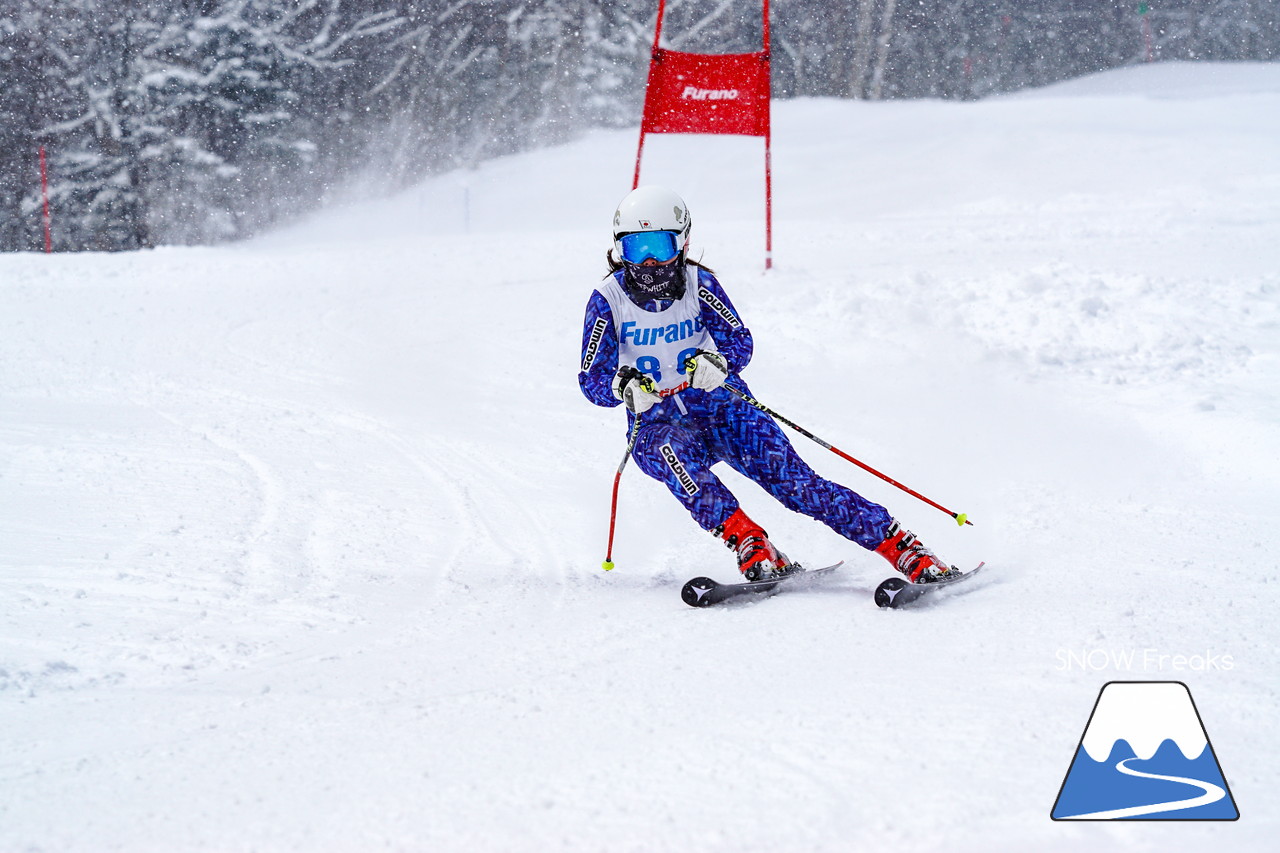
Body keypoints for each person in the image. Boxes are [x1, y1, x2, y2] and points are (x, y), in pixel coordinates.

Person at [578, 185, 961, 583]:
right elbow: (592, 379)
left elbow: (739, 340)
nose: (650, 261)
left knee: (797, 487)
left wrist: (719, 362)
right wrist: (622, 386)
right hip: (656, 424)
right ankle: (751, 543)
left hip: (722, 409)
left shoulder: (699, 285)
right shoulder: (608, 300)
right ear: (619, 249)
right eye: (636, 248)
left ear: (683, 241)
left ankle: (901, 546)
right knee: (677, 461)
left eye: (659, 244)